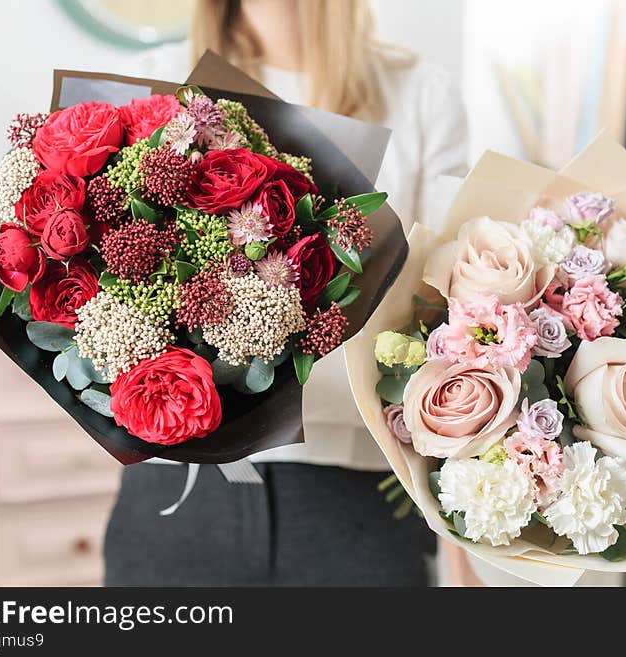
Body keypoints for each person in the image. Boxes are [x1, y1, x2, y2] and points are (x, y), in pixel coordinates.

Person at [103, 0, 469, 586]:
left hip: (357, 502)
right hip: (178, 498)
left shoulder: (421, 93)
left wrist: (460, 541)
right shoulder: (161, 76)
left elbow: (450, 319)